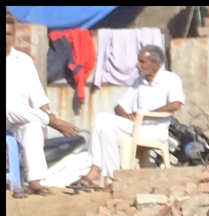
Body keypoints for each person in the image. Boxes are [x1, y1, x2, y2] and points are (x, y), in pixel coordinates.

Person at [71, 44, 183, 190]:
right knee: (105, 128)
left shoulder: (171, 79)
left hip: (154, 131)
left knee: (102, 120)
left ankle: (94, 172)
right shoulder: (139, 81)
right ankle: (112, 178)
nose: (137, 65)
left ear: (155, 64)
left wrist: (145, 116)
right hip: (135, 126)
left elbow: (176, 105)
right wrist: (125, 115)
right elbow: (119, 106)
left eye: (142, 62)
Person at [6, 11, 79, 196]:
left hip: (17, 118)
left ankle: (34, 181)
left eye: (9, 34)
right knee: (8, 106)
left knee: (32, 126)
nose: (6, 39)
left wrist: (49, 113)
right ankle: (51, 122)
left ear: (14, 35)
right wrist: (51, 120)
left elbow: (38, 96)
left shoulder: (24, 61)